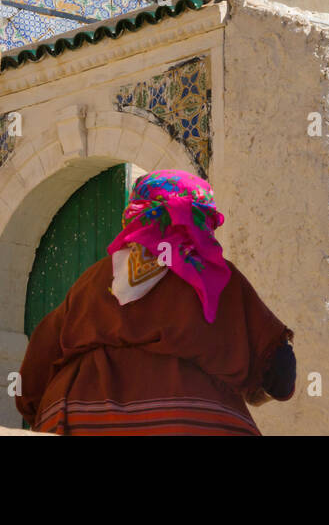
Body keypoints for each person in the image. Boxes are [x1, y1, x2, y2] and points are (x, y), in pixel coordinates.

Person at [16, 169, 295, 434]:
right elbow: (280, 372)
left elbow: (35, 370)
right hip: (193, 422)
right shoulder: (222, 279)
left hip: (82, 419)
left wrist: (40, 412)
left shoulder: (94, 280)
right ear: (203, 218)